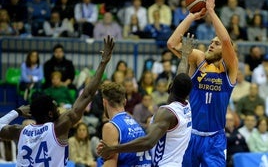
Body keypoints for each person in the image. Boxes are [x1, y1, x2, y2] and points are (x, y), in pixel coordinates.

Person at [0, 35, 114, 166]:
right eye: (55, 106)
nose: (58, 109)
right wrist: (103, 62)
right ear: (50, 113)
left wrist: (18, 111)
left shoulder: (20, 131)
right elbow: (87, 95)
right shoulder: (58, 127)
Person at [97, 33, 194, 166]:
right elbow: (181, 75)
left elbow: (148, 142)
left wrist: (113, 148)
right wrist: (184, 56)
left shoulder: (167, 113)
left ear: (169, 87)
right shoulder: (185, 106)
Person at [167, 0, 238, 167]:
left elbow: (227, 41)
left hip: (215, 139)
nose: (212, 43)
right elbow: (172, 43)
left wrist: (212, 12)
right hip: (191, 134)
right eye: (211, 41)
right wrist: (192, 16)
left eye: (216, 43)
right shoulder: (199, 59)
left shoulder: (229, 68)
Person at [96, 82, 152, 166]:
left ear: (104, 102)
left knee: (99, 161)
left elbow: (110, 165)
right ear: (125, 102)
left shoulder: (110, 127)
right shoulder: (134, 122)